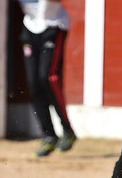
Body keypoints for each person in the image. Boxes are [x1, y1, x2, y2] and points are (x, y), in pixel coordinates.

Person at [18, 0, 77, 157]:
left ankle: (67, 129)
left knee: (49, 78)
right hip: (29, 27)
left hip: (53, 25)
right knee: (33, 83)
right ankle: (49, 135)